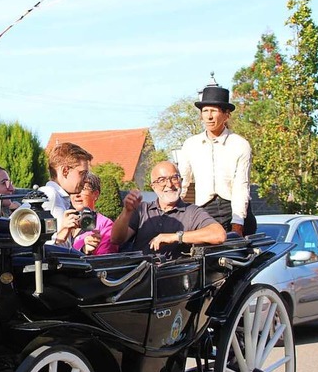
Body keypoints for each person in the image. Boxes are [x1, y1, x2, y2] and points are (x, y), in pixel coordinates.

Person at [178, 79, 256, 237]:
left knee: (238, 255)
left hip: (233, 209)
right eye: (205, 111)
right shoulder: (190, 145)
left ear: (226, 115)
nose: (209, 116)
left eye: (214, 111)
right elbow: (182, 180)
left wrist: (237, 225)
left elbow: (241, 186)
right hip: (204, 211)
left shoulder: (240, 145)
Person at [110, 161, 226, 259]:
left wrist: (175, 237)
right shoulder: (142, 210)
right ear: (153, 186)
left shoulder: (192, 212)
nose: (169, 184)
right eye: (161, 180)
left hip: (176, 278)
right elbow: (116, 239)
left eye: (174, 178)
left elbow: (219, 235)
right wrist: (127, 212)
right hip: (141, 278)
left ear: (180, 181)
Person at [38, 142, 93, 246]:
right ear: (65, 171)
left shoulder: (60, 198)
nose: (86, 179)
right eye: (82, 173)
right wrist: (59, 237)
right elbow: (16, 234)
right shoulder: (49, 194)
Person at [65, 172, 119, 255]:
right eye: (74, 189)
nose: (76, 194)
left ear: (96, 194)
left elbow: (104, 261)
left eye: (82, 189)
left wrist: (86, 252)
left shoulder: (105, 225)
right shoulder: (63, 220)